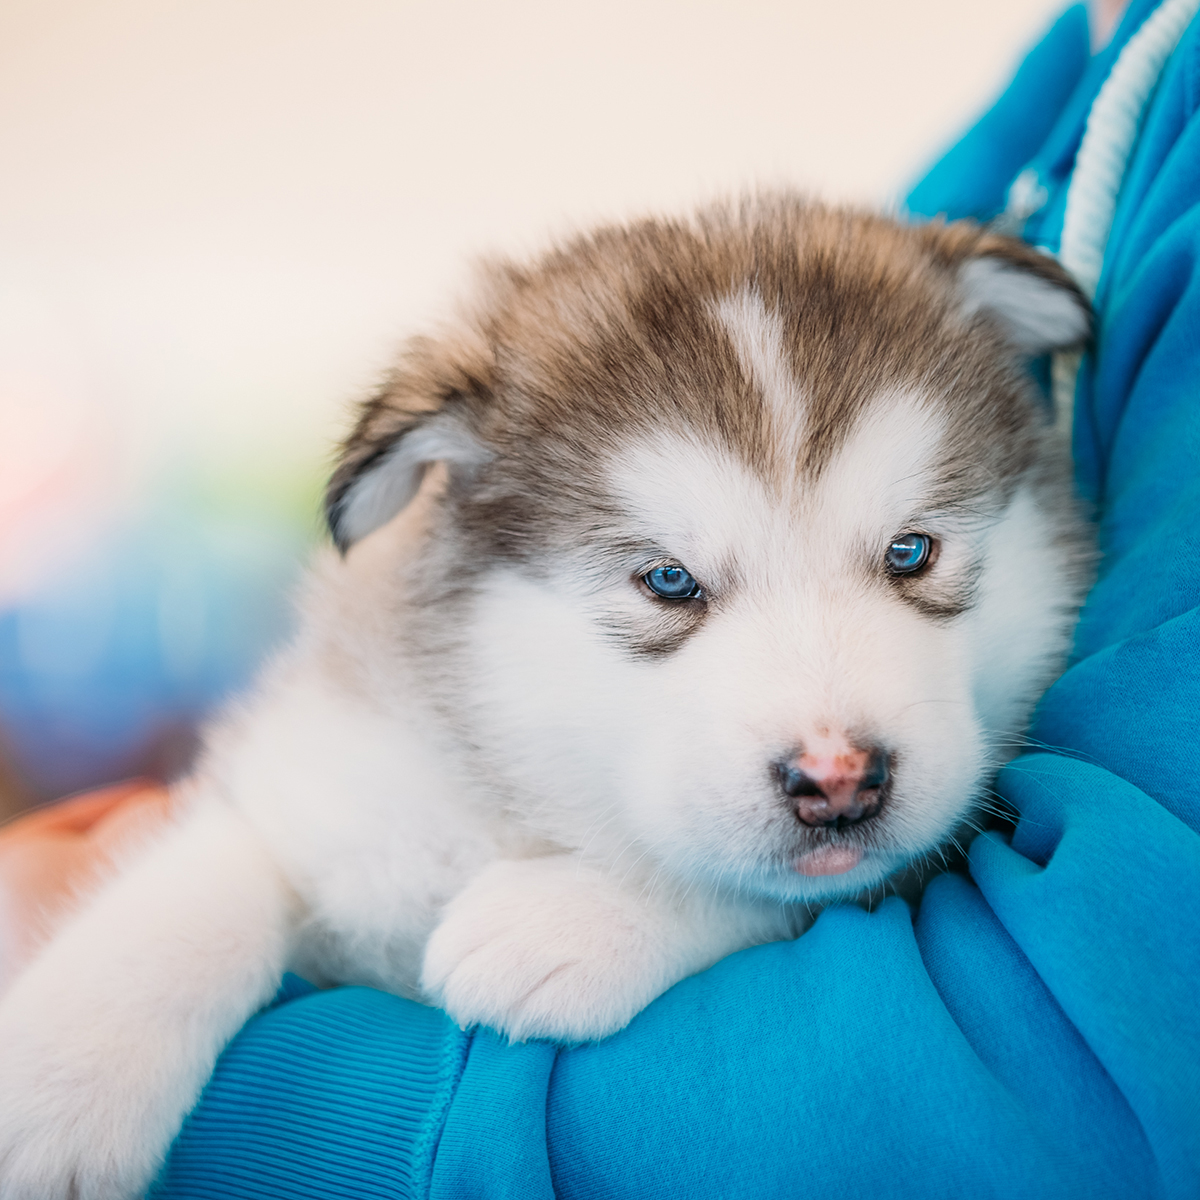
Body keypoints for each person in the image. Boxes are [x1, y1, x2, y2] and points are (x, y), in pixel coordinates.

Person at [3, 1, 1198, 1195]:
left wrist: (689, 917)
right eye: (668, 586)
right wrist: (108, 1021)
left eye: (910, 559)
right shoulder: (1054, 110)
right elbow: (259, 852)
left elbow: (1076, 1049)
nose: (834, 755)